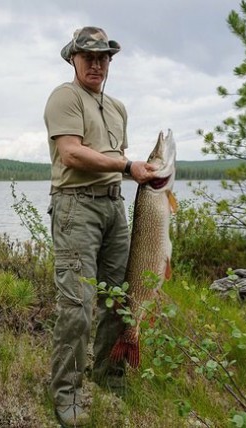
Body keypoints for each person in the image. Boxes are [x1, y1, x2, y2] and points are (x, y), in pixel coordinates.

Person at [43, 26, 156, 427]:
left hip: (114, 209)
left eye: (103, 57)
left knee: (117, 298)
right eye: (88, 56)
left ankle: (109, 377)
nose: (96, 63)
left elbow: (112, 160)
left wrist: (141, 173)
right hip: (76, 209)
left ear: (110, 62)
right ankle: (66, 394)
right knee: (77, 307)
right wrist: (128, 166)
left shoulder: (118, 107)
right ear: (73, 59)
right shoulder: (64, 97)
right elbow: (72, 154)